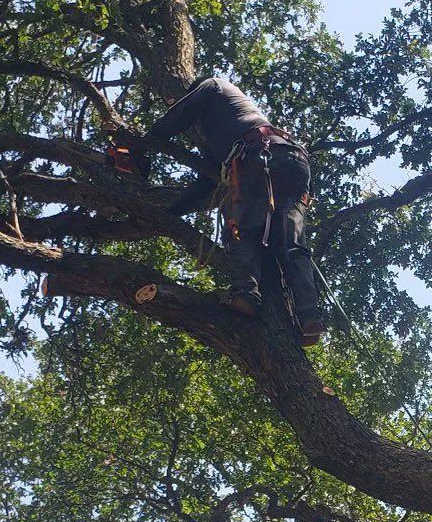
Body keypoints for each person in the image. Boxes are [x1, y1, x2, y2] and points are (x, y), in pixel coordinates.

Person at [138, 74, 325, 344]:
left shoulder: (213, 86)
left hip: (262, 155)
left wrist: (146, 142)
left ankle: (246, 294)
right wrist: (171, 212)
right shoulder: (227, 126)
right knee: (290, 243)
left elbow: (182, 112)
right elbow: (205, 182)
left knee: (240, 228)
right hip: (293, 162)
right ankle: (309, 316)